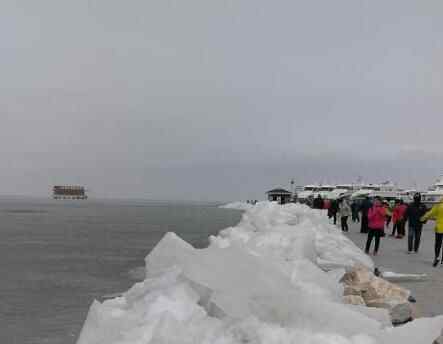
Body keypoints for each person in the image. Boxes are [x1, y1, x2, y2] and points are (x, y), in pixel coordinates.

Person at [421, 198, 443, 266]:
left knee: (438, 244)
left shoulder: (438, 205)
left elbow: (430, 213)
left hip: (439, 228)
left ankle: (436, 257)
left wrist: (422, 218)